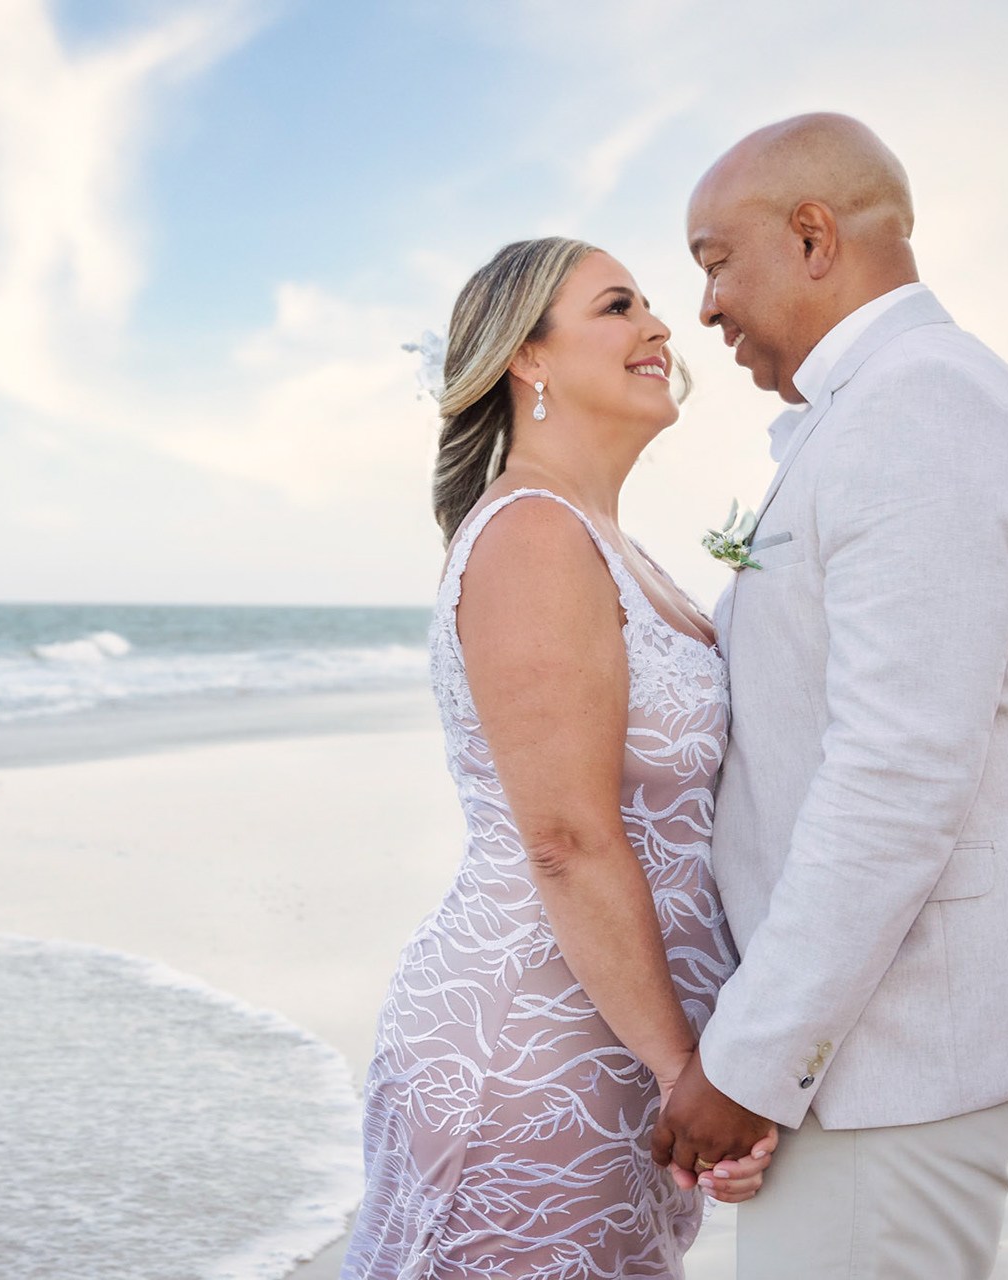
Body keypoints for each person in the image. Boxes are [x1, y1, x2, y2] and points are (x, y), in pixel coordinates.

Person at [652, 113, 1008, 1279]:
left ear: (814, 237)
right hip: (872, 1046)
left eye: (714, 261)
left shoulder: (919, 406)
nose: (703, 308)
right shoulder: (889, 405)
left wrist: (749, 1058)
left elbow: (897, 775)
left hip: (900, 1048)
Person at [341, 238, 774, 1279]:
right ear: (526, 360)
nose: (661, 328)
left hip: (615, 1052)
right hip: (530, 1058)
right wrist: (682, 1069)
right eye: (618, 307)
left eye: (650, 307)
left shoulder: (611, 540)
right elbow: (568, 838)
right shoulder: (534, 534)